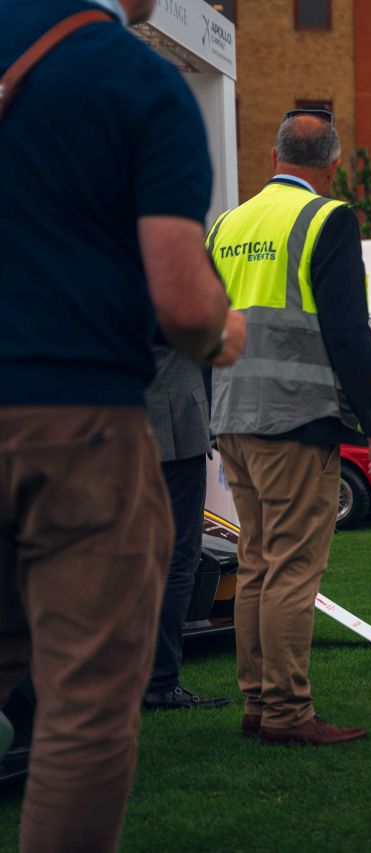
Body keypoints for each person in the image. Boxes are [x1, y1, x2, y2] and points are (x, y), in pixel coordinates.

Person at [0, 1, 245, 845]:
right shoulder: (137, 82)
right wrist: (223, 325)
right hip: (72, 422)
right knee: (85, 704)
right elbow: (181, 301)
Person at [209, 110, 371, 745]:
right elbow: (348, 330)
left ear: (273, 156)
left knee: (257, 563)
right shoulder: (327, 218)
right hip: (294, 417)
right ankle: (288, 713)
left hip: (232, 413)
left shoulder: (228, 225)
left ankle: (259, 702)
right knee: (291, 569)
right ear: (334, 165)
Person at [142, 347, 230, 712]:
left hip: (118, 424)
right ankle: (160, 682)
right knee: (177, 559)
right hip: (172, 424)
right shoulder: (172, 289)